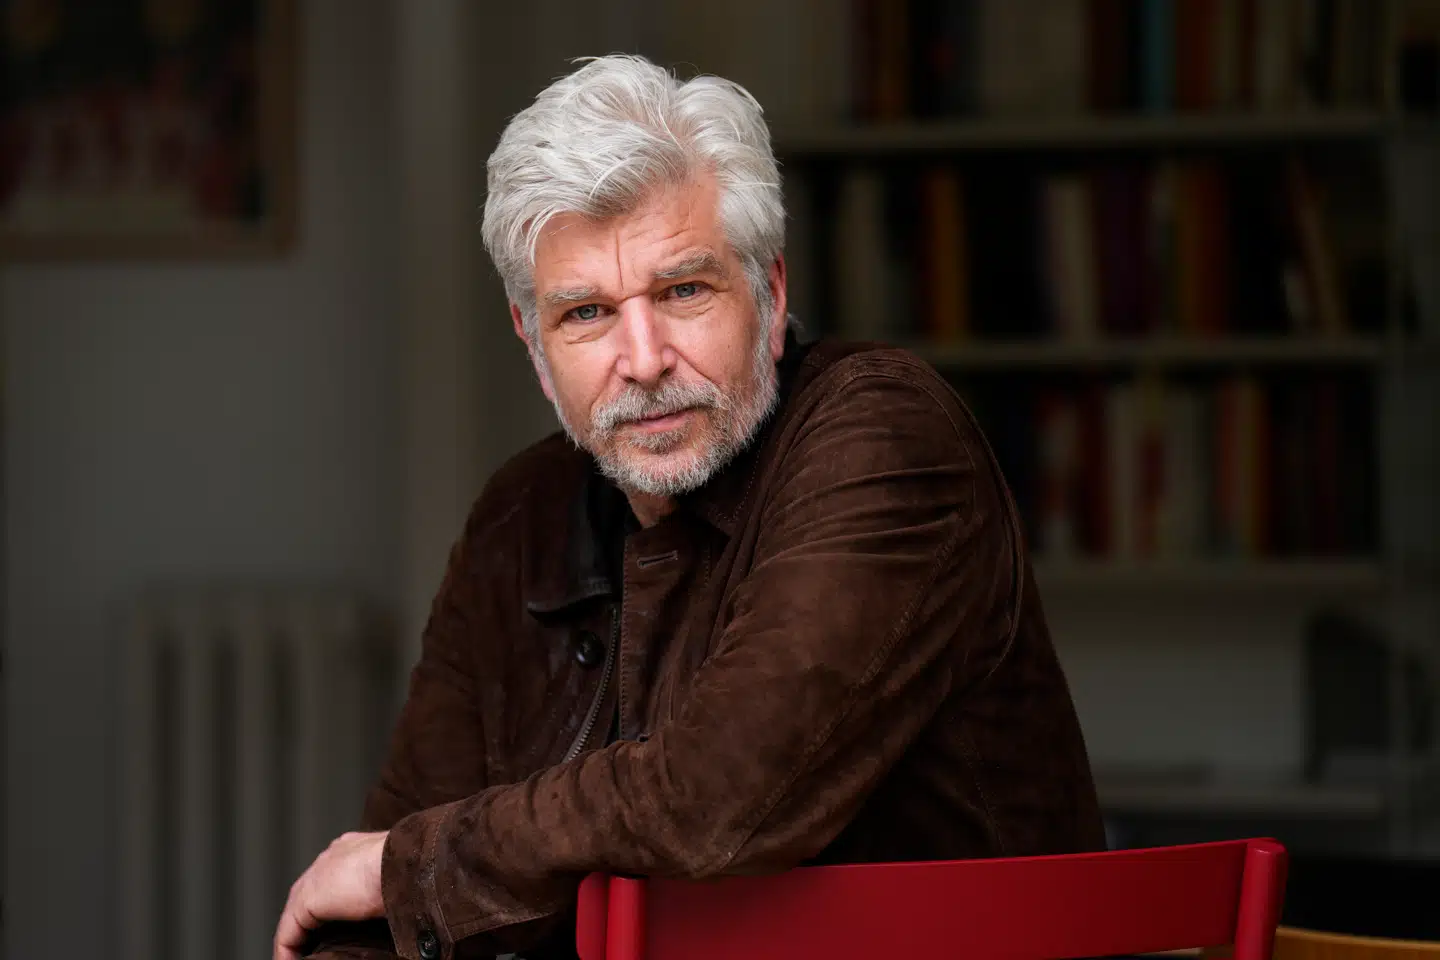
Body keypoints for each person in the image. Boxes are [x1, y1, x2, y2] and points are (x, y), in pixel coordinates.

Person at [275, 54, 1105, 960]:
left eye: (683, 291)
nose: (643, 359)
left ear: (770, 293)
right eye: (586, 313)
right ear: (535, 343)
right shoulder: (520, 516)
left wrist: (412, 864)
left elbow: (715, 799)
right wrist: (394, 885)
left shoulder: (884, 432)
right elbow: (377, 905)